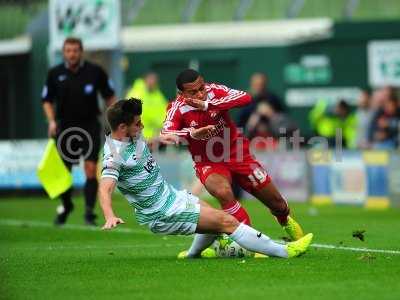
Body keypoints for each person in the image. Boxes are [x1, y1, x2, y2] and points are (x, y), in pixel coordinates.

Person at [99, 99, 313, 259]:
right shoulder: (114, 155)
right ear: (122, 128)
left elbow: (151, 140)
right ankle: (284, 251)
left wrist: (189, 135)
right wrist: (109, 215)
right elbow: (105, 188)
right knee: (228, 222)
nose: (142, 126)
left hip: (172, 197)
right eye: (137, 124)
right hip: (161, 212)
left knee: (216, 217)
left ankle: (193, 254)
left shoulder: (132, 137)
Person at [161, 69, 304, 241]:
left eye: (201, 88)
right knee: (223, 192)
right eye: (193, 92)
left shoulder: (214, 91)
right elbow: (166, 133)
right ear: (181, 94)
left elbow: (245, 97)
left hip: (237, 153)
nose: (200, 93)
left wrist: (209, 105)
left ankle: (283, 219)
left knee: (277, 203)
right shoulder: (176, 108)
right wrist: (192, 134)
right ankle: (251, 242)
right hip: (208, 161)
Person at [42, 37, 116, 226]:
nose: (72, 54)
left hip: (90, 125)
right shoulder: (54, 73)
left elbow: (109, 96)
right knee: (63, 173)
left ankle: (89, 213)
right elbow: (47, 100)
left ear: (81, 51)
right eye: (68, 50)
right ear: (64, 52)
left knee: (90, 169)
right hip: (64, 127)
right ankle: (67, 206)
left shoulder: (95, 72)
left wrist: (115, 118)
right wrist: (51, 121)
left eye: (75, 50)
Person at [125, 72, 168, 141]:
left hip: (154, 138)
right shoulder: (136, 93)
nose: (152, 82)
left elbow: (165, 114)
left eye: (154, 80)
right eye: (150, 79)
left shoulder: (159, 96)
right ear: (145, 80)